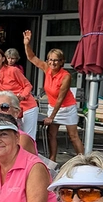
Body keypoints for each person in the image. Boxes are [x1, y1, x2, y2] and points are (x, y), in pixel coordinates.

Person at [23, 31, 83, 161]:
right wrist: (27, 44)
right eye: (51, 60)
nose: (53, 63)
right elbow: (32, 57)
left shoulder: (66, 76)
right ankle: (52, 159)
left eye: (56, 60)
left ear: (62, 62)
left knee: (73, 136)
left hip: (67, 108)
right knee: (51, 135)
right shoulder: (47, 69)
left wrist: (51, 116)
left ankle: (83, 160)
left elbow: (61, 98)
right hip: (53, 106)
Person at [0, 47, 38, 140]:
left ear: (3, 59)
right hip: (11, 109)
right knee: (15, 136)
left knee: (28, 137)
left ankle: (30, 154)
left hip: (27, 106)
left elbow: (28, 85)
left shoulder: (13, 70)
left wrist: (22, 96)